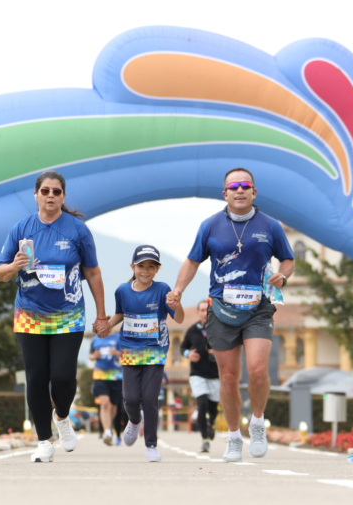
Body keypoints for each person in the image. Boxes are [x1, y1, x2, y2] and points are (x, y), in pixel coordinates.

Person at [167, 168, 294, 463]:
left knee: (258, 369)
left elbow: (287, 258)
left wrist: (283, 276)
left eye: (245, 186)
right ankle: (234, 437)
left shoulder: (271, 226)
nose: (240, 190)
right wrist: (178, 290)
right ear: (224, 193)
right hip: (221, 309)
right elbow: (191, 261)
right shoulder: (210, 226)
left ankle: (258, 423)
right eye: (233, 186)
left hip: (259, 307)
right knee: (228, 378)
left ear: (254, 192)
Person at [0, 170, 107, 464]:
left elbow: (93, 272)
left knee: (62, 378)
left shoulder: (77, 230)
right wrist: (14, 265)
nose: (50, 196)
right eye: (45, 191)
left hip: (68, 315)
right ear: (36, 195)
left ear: (63, 196)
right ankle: (44, 442)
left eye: (56, 192)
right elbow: (0, 273)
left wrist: (102, 315)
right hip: (29, 316)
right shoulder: (21, 229)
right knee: (36, 378)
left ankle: (62, 416)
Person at [96, 245, 184, 462]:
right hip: (130, 349)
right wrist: (106, 326)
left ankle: (151, 445)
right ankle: (134, 421)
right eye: (141, 266)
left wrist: (177, 304)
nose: (145, 271)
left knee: (150, 398)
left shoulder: (163, 289)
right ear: (132, 266)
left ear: (157, 269)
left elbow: (179, 319)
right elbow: (120, 314)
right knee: (131, 398)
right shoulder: (122, 290)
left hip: (155, 349)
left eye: (151, 267)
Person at [181, 300, 220, 452]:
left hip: (214, 374)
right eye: (202, 310)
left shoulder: (218, 328)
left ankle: (213, 423)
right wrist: (188, 354)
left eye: (207, 310)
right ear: (198, 312)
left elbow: (229, 346)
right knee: (202, 405)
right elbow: (182, 347)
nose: (205, 313)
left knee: (213, 408)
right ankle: (204, 440)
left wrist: (216, 352)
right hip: (197, 374)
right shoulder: (192, 330)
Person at [89, 329, 122, 446]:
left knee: (113, 407)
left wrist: (117, 353)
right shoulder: (95, 339)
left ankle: (108, 426)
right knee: (105, 404)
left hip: (117, 377)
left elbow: (127, 353)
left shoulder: (118, 338)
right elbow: (90, 355)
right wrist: (94, 356)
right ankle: (107, 432)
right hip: (100, 376)